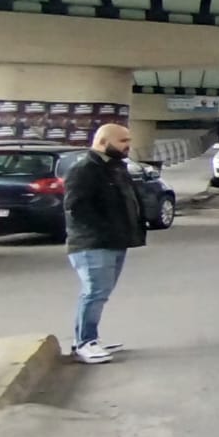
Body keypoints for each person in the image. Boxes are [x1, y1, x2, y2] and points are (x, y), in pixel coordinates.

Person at [62, 123, 147, 364]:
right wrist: (105, 228)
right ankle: (84, 343)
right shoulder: (84, 169)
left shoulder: (115, 167)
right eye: (122, 141)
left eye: (129, 140)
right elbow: (76, 208)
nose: (128, 145)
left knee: (101, 292)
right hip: (93, 243)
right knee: (94, 292)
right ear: (102, 142)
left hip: (114, 241)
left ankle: (90, 338)